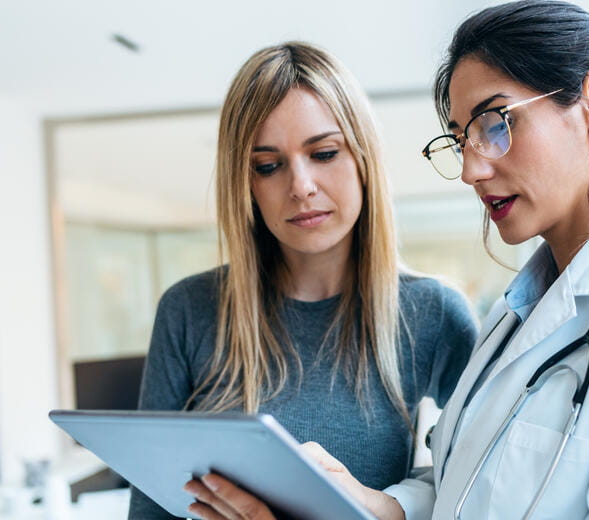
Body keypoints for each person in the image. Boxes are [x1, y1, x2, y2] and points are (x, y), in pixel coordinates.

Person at [185, 2, 589, 519]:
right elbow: (460, 489)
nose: (471, 169)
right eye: (461, 138)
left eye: (496, 124)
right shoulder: (515, 316)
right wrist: (373, 506)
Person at [128, 41, 478, 519]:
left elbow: (483, 486)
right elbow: (150, 509)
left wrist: (391, 509)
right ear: (245, 184)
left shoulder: (432, 313)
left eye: (325, 152)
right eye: (268, 166)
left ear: (362, 159)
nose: (301, 186)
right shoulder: (189, 310)